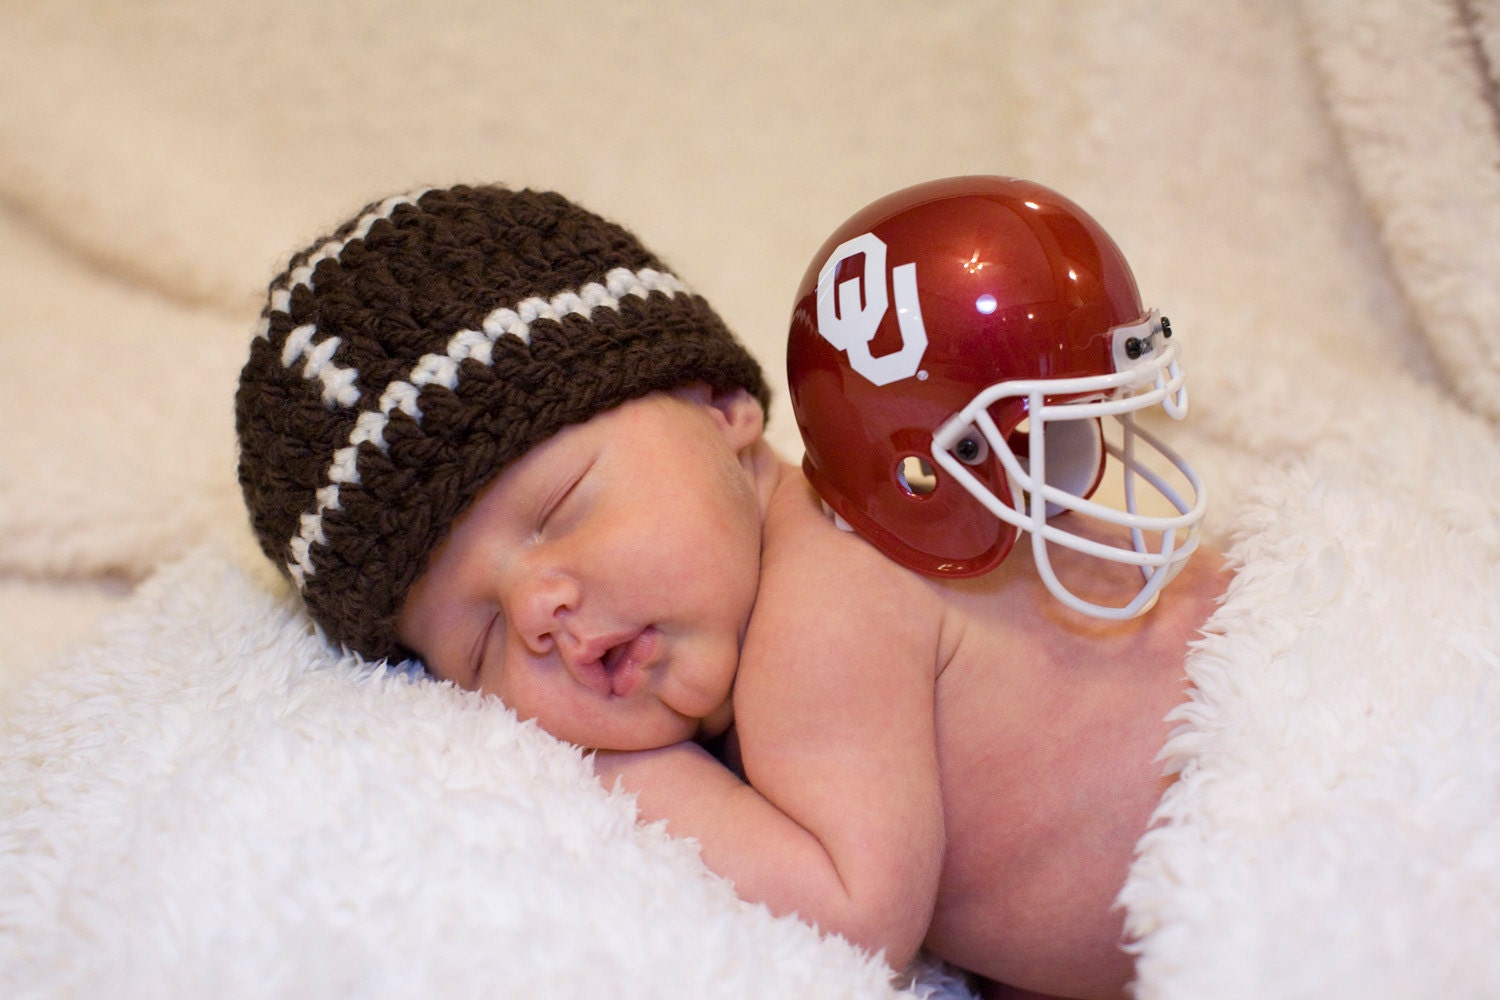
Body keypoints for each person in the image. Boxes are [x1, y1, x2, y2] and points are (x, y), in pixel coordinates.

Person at [236, 180, 1231, 1000]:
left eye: (561, 508)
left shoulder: (832, 589)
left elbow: (856, 924)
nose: (540, 606)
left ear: (722, 408)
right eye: (479, 636)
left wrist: (627, 775)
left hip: (1270, 831)